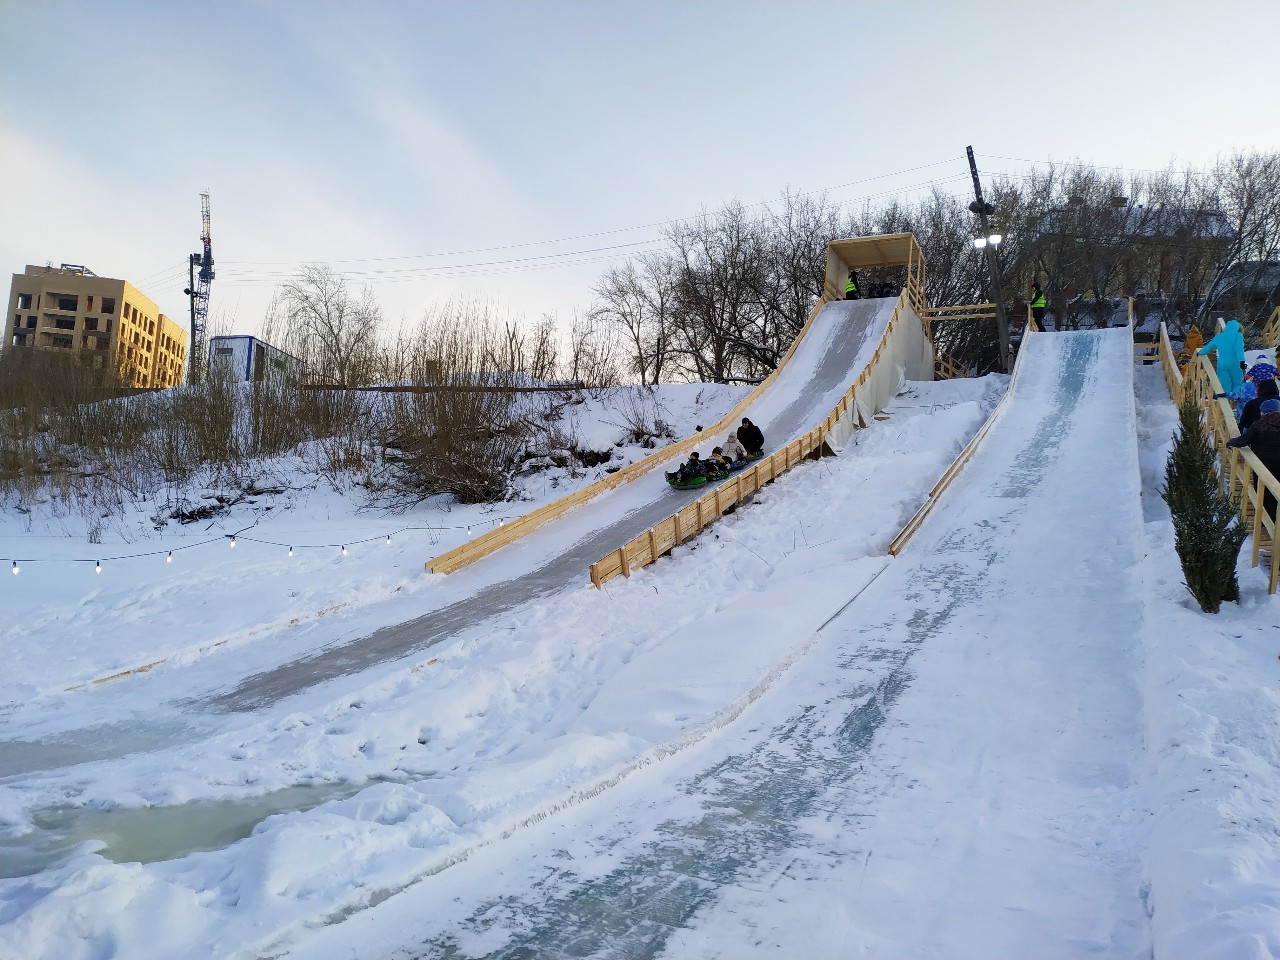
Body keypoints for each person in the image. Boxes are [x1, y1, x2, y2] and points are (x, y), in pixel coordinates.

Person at [1227, 398, 1280, 524]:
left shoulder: (1259, 424)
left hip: (1262, 464)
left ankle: (1263, 522)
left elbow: (1244, 440)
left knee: (1261, 491)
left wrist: (1231, 442)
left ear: (1264, 412)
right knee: (1276, 492)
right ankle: (1276, 522)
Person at [1198, 319, 1246, 395]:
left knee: (1225, 384)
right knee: (1237, 383)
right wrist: (1242, 361)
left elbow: (1208, 347)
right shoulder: (1238, 336)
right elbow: (1239, 350)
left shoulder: (1219, 336)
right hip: (1235, 363)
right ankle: (1234, 399)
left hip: (1222, 363)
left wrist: (1200, 353)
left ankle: (1226, 398)